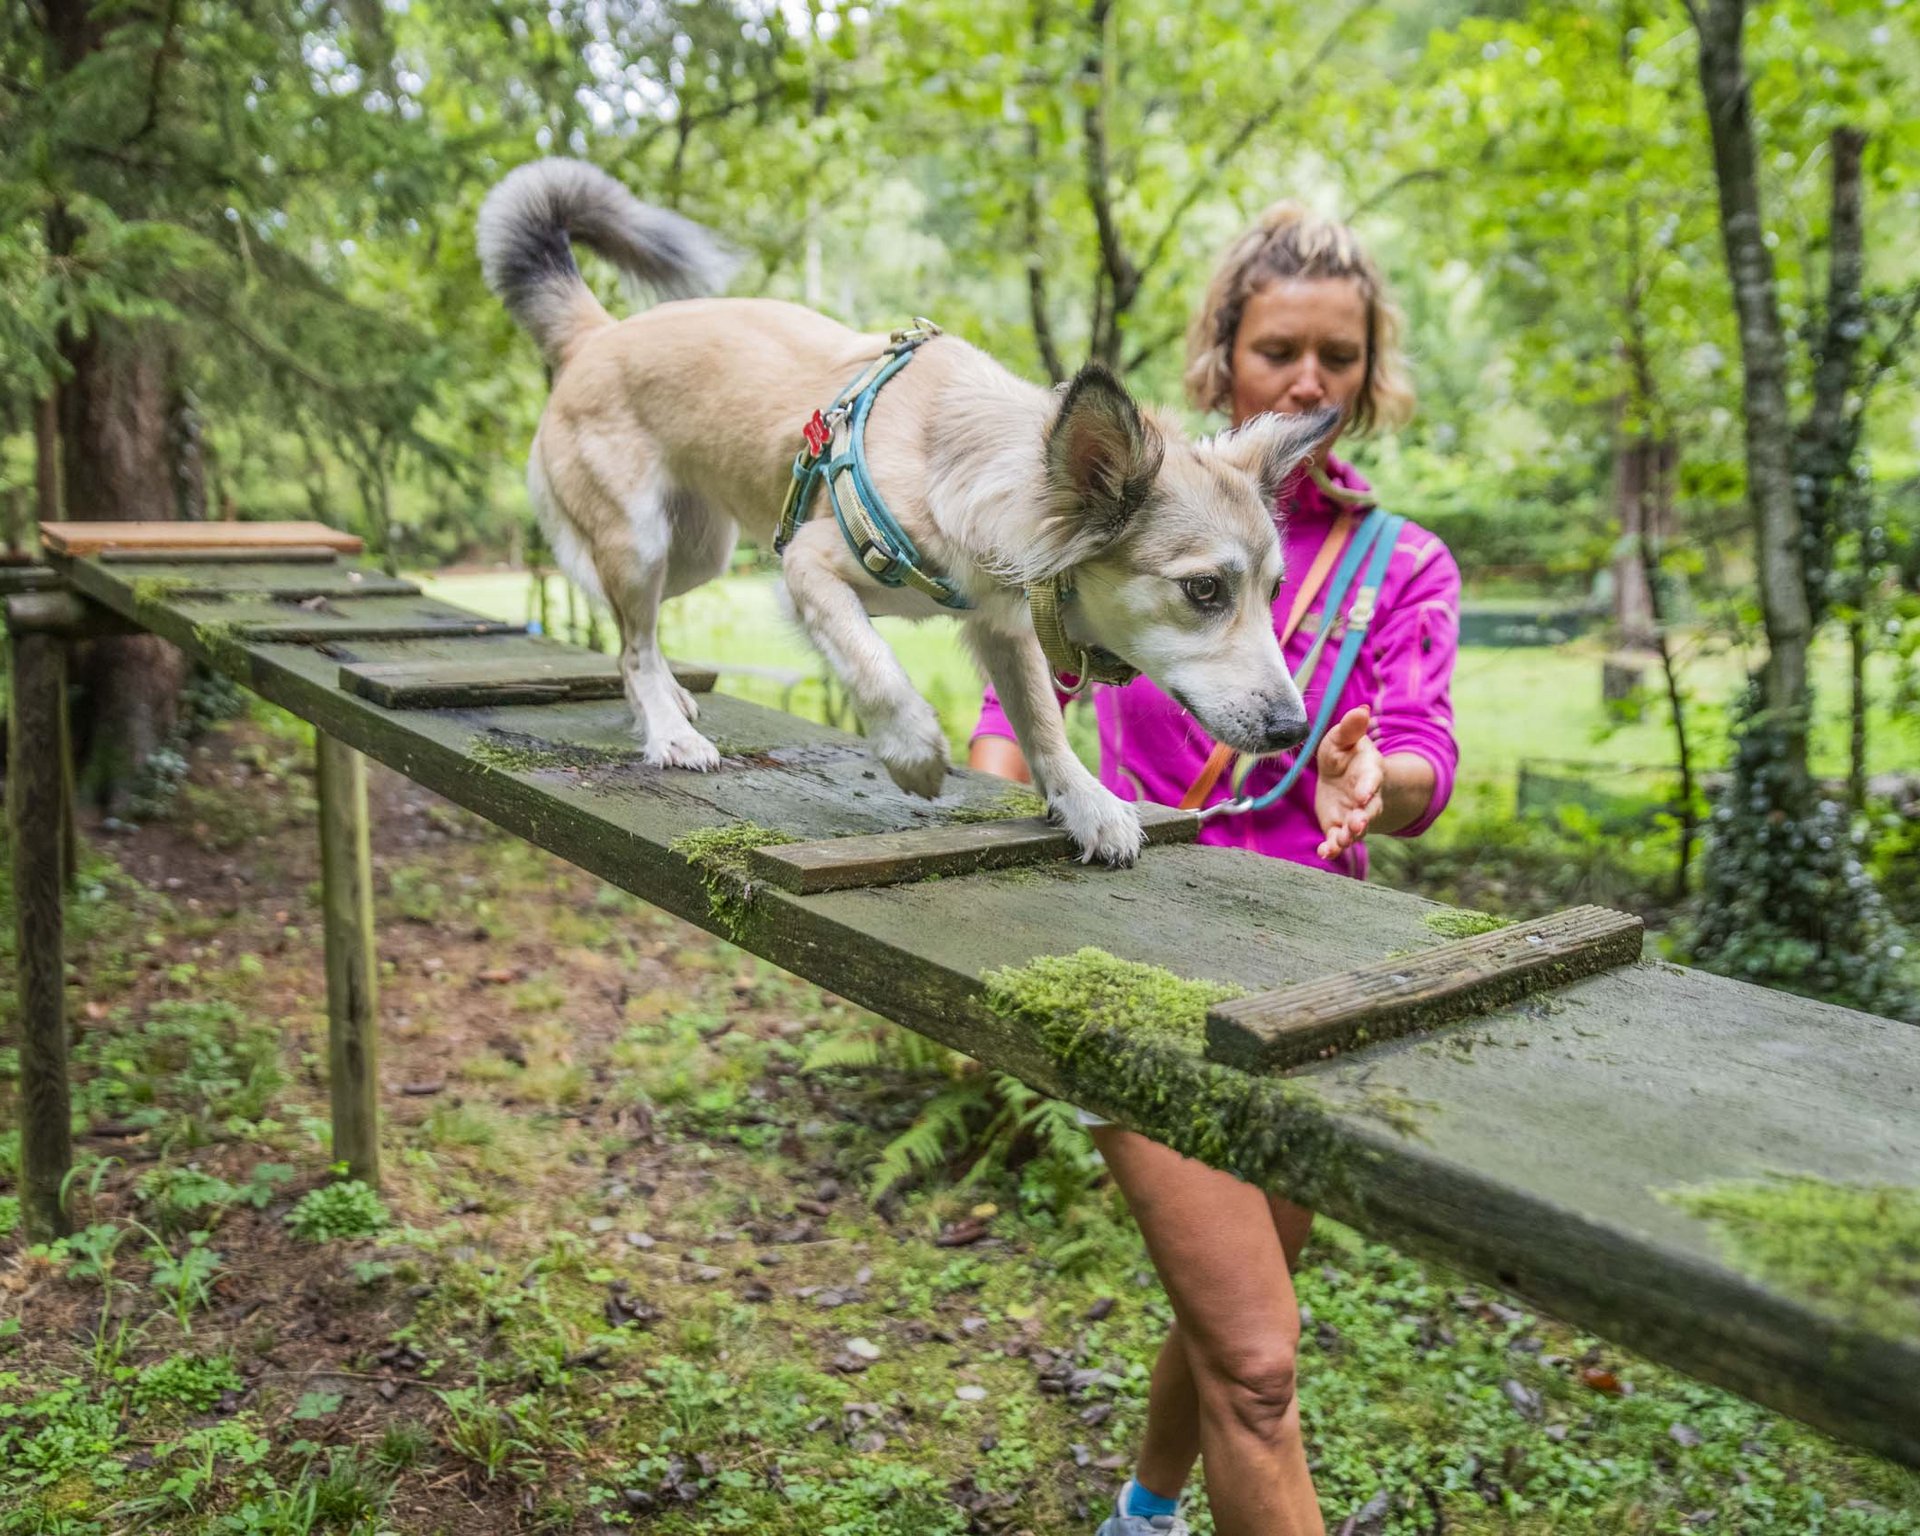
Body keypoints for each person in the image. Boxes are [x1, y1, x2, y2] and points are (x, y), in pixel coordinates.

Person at [969, 204, 1461, 1536]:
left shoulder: (1401, 565)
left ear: (1368, 376)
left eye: (1340, 359)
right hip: (1137, 968)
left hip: (1320, 982)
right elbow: (1015, 720)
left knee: (1242, 1318)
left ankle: (1142, 1511)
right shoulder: (1103, 533)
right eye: (1282, 350)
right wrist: (966, 934)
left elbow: (1422, 758)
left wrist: (1376, 776)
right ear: (1224, 358)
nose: (1311, 382)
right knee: (1258, 1361)